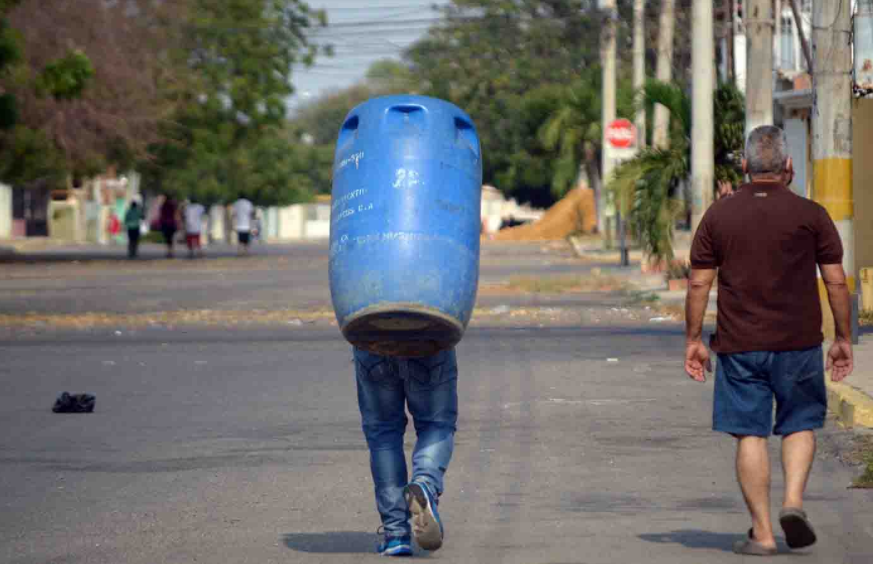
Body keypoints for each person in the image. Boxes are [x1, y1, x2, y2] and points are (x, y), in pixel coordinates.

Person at [684, 125, 854, 556]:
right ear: (789, 167)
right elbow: (835, 283)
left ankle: (761, 534)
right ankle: (793, 503)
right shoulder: (811, 215)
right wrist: (843, 338)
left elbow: (698, 285)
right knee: (800, 423)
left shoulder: (719, 216)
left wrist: (693, 341)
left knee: (749, 433)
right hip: (798, 343)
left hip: (739, 346)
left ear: (744, 167)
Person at [353, 347, 457, 556]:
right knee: (436, 424)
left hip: (371, 336)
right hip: (428, 336)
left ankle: (396, 534)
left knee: (383, 432)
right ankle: (425, 483)